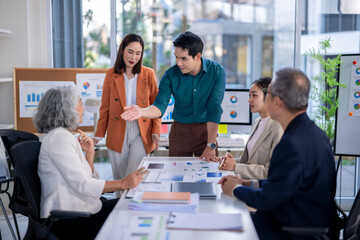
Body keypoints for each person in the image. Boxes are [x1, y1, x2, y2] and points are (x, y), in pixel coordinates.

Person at [219, 68, 338, 239]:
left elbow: (268, 198)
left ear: (278, 102)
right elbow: (282, 184)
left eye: (268, 95)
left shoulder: (291, 144)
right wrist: (248, 183)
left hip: (294, 228)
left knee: (227, 227)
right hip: (305, 217)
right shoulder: (313, 133)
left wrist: (235, 189)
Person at [33, 86, 148, 239]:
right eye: (80, 103)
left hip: (81, 210)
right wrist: (123, 183)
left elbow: (86, 180)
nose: (83, 108)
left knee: (133, 204)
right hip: (70, 219)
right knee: (135, 206)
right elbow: (83, 185)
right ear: (67, 108)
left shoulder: (61, 136)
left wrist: (90, 154)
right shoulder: (59, 138)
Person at [121, 31, 226, 161]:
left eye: (184, 58)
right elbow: (159, 106)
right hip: (180, 132)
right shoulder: (170, 75)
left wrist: (211, 144)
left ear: (198, 56)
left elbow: (214, 108)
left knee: (209, 174)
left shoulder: (216, 71)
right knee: (176, 174)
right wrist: (141, 112)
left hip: (207, 131)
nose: (178, 63)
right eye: (176, 57)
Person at [95, 33, 160, 196]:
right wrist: (99, 134)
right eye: (130, 51)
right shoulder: (111, 74)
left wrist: (156, 131)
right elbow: (105, 107)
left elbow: (156, 105)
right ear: (122, 50)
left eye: (138, 53)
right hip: (117, 129)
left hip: (141, 131)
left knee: (135, 175)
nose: (134, 57)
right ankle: (119, 214)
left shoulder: (148, 74)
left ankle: (133, 210)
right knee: (120, 179)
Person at [211, 77, 283, 180]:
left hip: (262, 188)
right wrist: (230, 161)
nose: (249, 100)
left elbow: (271, 171)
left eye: (254, 95)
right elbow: (248, 161)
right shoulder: (257, 122)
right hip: (248, 182)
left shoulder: (279, 127)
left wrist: (235, 167)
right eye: (250, 96)